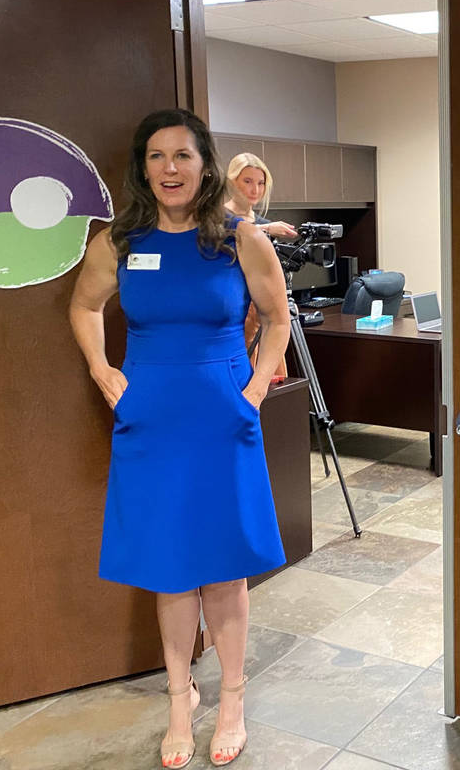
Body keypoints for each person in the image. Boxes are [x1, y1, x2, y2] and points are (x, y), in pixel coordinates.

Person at [68, 109, 289, 769]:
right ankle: (177, 700)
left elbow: (277, 317)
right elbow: (82, 306)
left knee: (222, 569)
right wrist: (104, 371)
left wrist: (251, 391)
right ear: (143, 167)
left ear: (204, 162)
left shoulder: (239, 237)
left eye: (183, 156)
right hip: (151, 415)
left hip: (222, 413)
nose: (170, 168)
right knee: (169, 570)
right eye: (158, 156)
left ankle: (233, 701)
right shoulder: (120, 241)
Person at [224, 153, 294, 378]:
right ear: (232, 181)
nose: (255, 189)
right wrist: (264, 230)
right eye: (247, 181)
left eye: (261, 183)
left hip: (263, 308)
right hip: (233, 311)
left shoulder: (263, 223)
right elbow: (223, 234)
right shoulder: (217, 218)